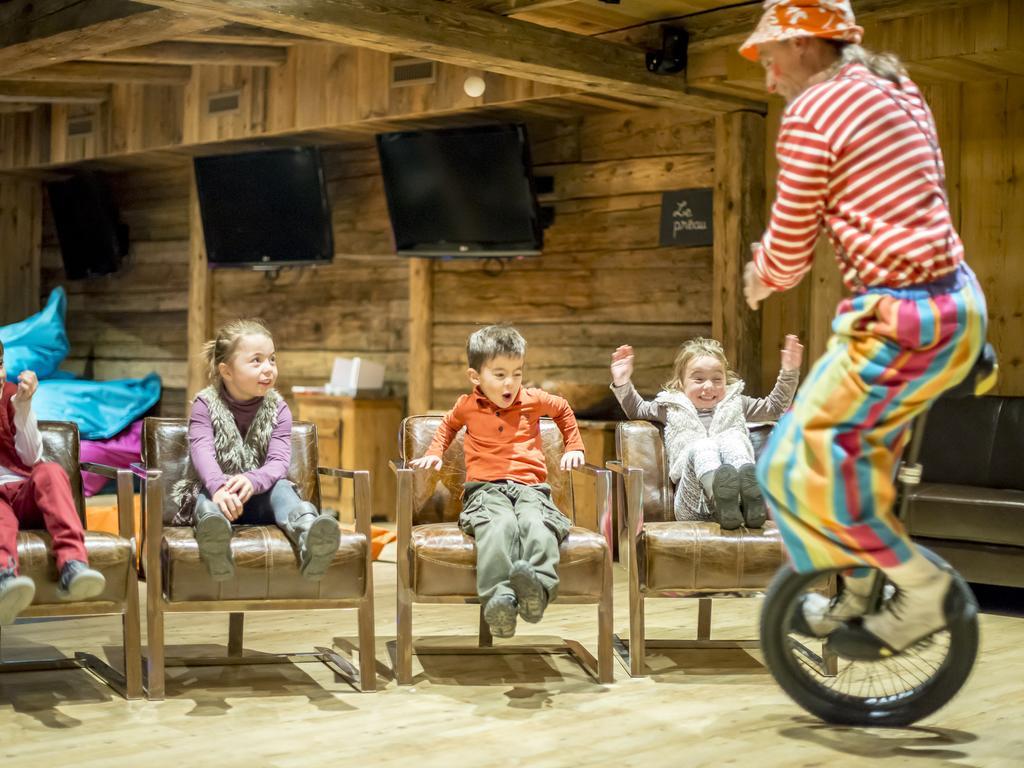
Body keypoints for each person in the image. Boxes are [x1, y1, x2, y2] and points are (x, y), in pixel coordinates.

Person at [739, 0, 988, 656]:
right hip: (950, 306)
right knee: (855, 471)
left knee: (787, 470)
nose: (768, 80)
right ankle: (854, 587)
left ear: (803, 43)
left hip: (901, 319)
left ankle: (920, 588)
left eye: (770, 60)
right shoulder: (895, 87)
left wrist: (759, 277)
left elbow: (790, 249)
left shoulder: (816, 109)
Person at [410, 325, 585, 638]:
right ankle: (500, 600)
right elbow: (447, 426)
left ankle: (539, 591)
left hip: (532, 489)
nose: (511, 383)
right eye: (500, 374)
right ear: (475, 377)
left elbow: (563, 410)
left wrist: (574, 446)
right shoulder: (467, 406)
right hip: (485, 491)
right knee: (500, 525)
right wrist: (435, 452)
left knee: (536, 524)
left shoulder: (532, 400)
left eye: (517, 373)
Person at [172, 319, 340, 581]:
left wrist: (253, 479)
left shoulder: (279, 410)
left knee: (283, 488)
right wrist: (218, 487)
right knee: (203, 496)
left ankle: (311, 537)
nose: (268, 369)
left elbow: (278, 461)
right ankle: (215, 542)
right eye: (257, 361)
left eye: (272, 359)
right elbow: (202, 451)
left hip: (262, 497)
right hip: (220, 495)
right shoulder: (204, 405)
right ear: (226, 371)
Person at [609, 336, 801, 528]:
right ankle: (720, 500)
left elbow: (775, 408)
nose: (708, 386)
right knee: (704, 445)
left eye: (717, 379)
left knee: (732, 438)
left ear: (726, 381)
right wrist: (622, 381)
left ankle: (751, 502)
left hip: (738, 502)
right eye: (699, 379)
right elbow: (637, 409)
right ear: (681, 383)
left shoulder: (736, 403)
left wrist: (789, 372)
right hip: (692, 504)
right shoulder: (670, 407)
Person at [0, 340, 106, 625]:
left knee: (50, 470)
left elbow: (31, 456)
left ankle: (73, 565)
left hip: (23, 491)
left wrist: (22, 407)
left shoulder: (12, 396)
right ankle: (4, 579)